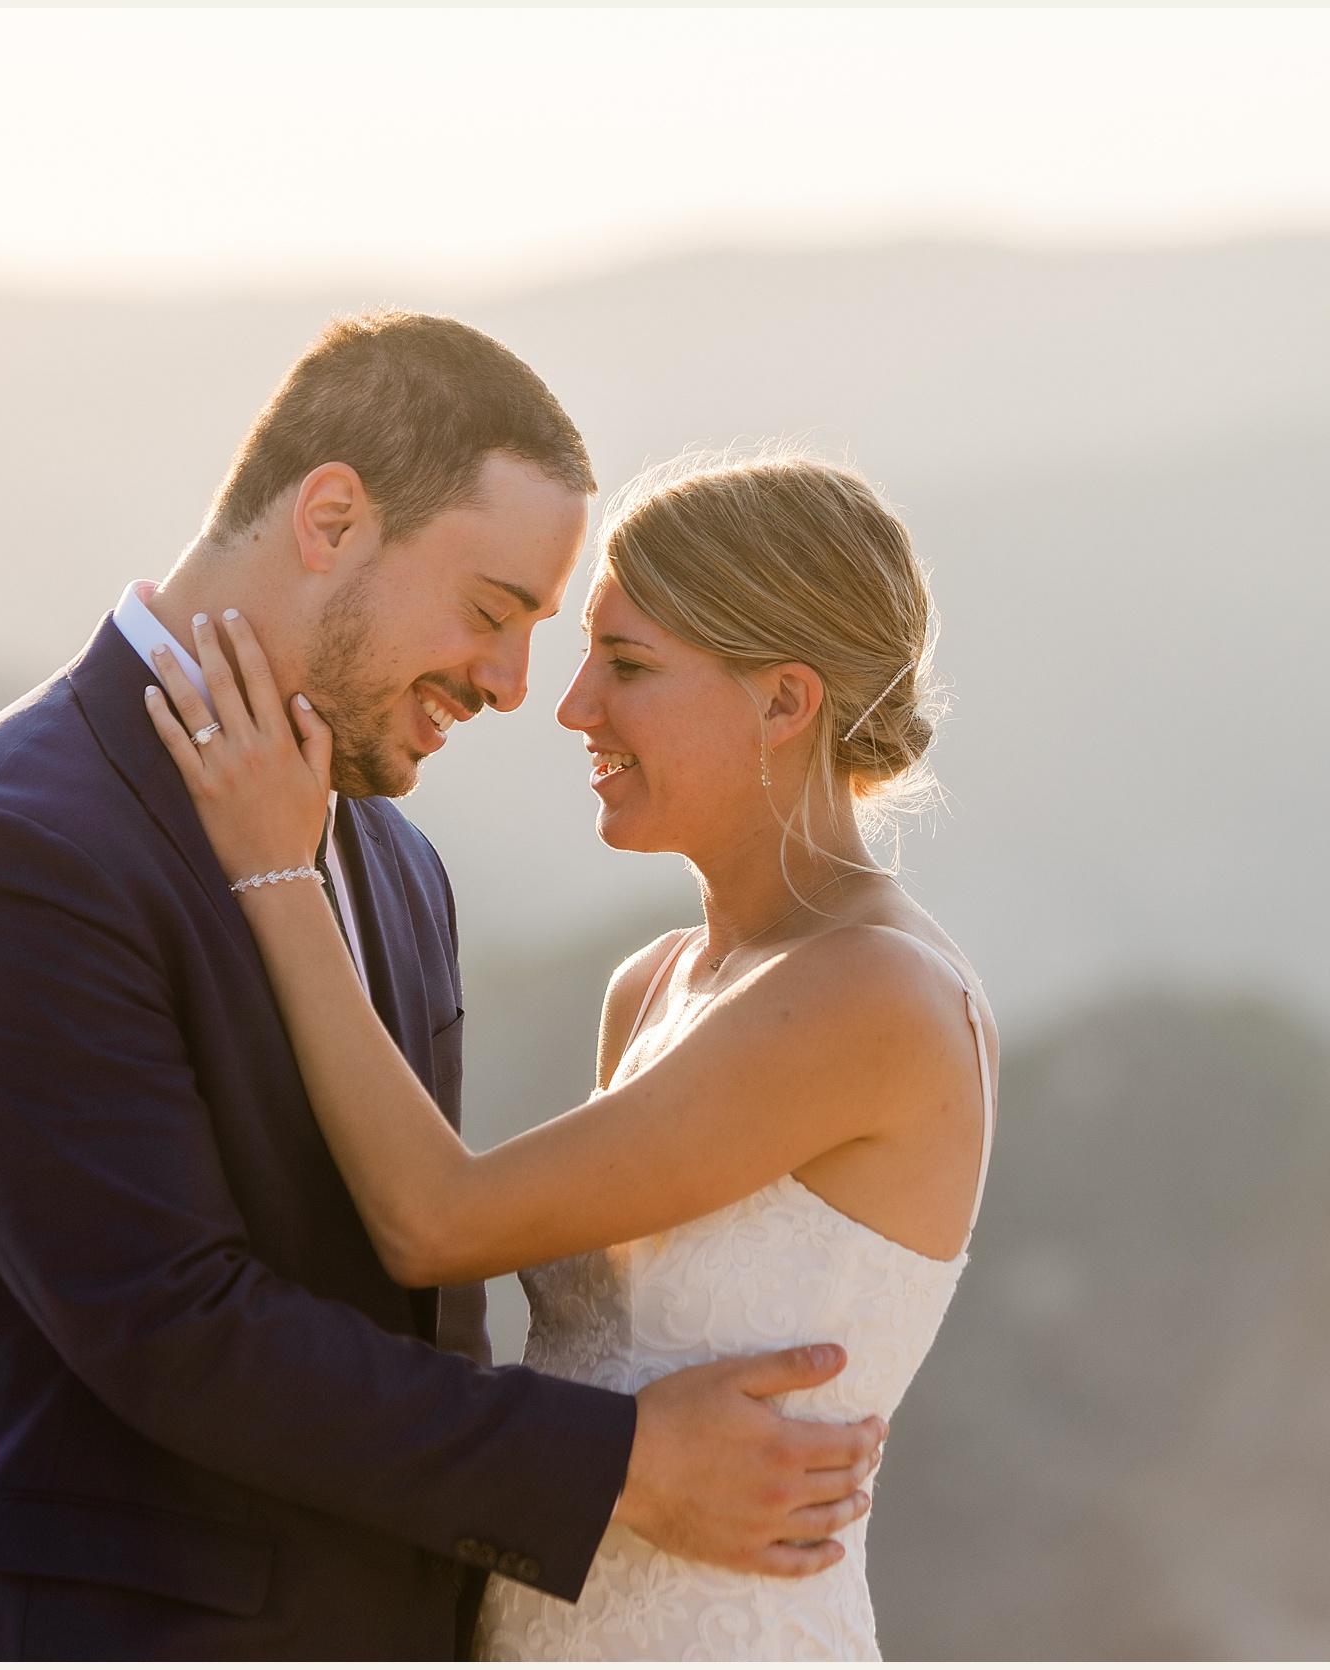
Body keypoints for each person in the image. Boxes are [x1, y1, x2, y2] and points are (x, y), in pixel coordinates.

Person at [0, 316, 886, 1660]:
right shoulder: (4, 852)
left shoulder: (395, 859)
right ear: (331, 517)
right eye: (493, 611)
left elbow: (416, 1297)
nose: (513, 685)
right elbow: (174, 1331)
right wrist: (621, 1463)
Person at [142, 450, 996, 1659]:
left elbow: (438, 1219)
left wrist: (278, 872)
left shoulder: (875, 995)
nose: (573, 703)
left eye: (629, 664)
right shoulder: (650, 985)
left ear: (783, 701)